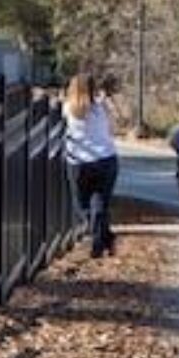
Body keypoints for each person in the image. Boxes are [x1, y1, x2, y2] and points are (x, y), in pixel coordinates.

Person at [61, 73, 120, 258]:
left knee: (82, 204)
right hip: (106, 159)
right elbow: (114, 126)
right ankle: (105, 237)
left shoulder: (68, 108)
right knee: (100, 202)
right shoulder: (101, 106)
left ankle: (100, 241)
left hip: (79, 163)